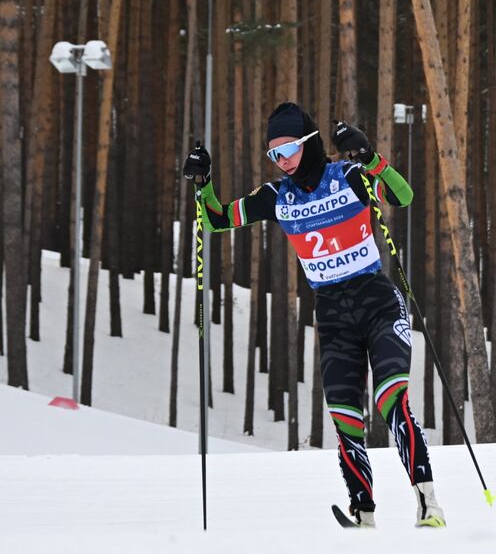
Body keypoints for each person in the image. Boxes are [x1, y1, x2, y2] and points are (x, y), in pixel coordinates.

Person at [181, 102, 444, 528]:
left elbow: (403, 195)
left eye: (287, 149)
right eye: (273, 154)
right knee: (344, 415)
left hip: (376, 302)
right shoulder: (275, 196)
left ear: (308, 143)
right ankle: (363, 511)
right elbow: (214, 220)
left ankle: (428, 503)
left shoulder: (348, 177)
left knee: (391, 400)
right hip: (334, 315)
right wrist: (202, 182)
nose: (281, 160)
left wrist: (370, 156)